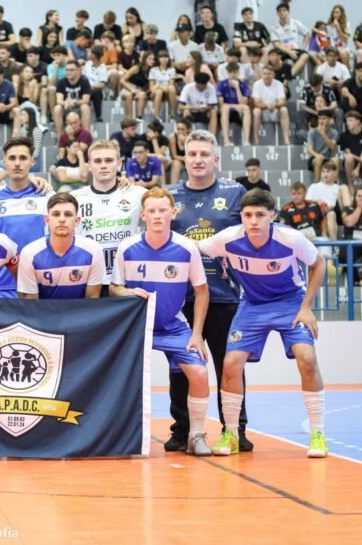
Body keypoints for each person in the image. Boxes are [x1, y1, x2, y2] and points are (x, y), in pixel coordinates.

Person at [199, 189, 328, 458]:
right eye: (248, 215)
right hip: (253, 305)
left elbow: (319, 263)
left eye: (260, 215)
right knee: (231, 364)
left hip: (290, 303)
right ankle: (231, 434)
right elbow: (194, 249)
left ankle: (318, 434)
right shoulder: (228, 239)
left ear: (272, 216)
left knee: (307, 358)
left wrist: (306, 307)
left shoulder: (291, 238)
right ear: (241, 218)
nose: (254, 221)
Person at [111, 187, 212, 455]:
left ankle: (196, 435)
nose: (157, 216)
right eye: (152, 211)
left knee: (199, 373)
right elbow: (114, 288)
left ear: (173, 212)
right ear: (143, 214)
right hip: (136, 327)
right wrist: (129, 291)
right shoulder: (127, 248)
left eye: (163, 210)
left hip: (174, 325)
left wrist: (197, 335)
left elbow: (202, 291)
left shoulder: (186, 248)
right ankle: (119, 435)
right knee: (120, 377)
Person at [167, 129, 250, 453]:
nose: (198, 160)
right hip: (181, 297)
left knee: (228, 366)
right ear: (184, 159)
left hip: (224, 295)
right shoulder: (169, 197)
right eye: (192, 154)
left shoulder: (234, 192)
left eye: (204, 154)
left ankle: (235, 429)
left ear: (216, 160)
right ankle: (182, 430)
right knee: (182, 368)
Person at [71, 140, 146, 290]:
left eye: (109, 160)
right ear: (89, 166)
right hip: (87, 282)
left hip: (125, 281)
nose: (103, 165)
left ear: (119, 164)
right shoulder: (74, 198)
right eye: (97, 161)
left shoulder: (138, 194)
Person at [0, 138, 53, 297]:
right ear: (4, 162)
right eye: (12, 158)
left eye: (23, 158)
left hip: (39, 285)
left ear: (32, 162)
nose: (17, 163)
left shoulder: (47, 195)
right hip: (2, 286)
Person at [17, 192, 104, 300]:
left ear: (77, 221)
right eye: (56, 214)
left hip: (81, 315)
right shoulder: (29, 253)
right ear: (47, 220)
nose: (62, 219)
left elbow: (92, 300)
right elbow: (31, 305)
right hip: (43, 315)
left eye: (68, 214)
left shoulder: (94, 250)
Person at [252, 66, 291, 145]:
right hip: (263, 111)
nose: (267, 76)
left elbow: (283, 101)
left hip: (275, 111)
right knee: (256, 111)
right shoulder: (257, 84)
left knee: (284, 110)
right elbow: (256, 103)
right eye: (265, 74)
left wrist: (274, 105)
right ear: (262, 74)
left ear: (273, 75)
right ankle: (256, 139)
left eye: (269, 74)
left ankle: (286, 139)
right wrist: (267, 106)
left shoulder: (279, 84)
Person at [271, 2, 310, 78]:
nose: (282, 12)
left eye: (284, 10)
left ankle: (289, 76)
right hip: (283, 51)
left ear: (288, 12)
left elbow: (307, 34)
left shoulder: (295, 23)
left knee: (305, 55)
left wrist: (302, 47)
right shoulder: (274, 28)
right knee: (277, 60)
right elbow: (276, 44)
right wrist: (289, 52)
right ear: (277, 13)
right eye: (280, 11)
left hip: (295, 49)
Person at [217, 62, 252, 147]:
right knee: (225, 108)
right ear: (227, 73)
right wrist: (235, 106)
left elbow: (243, 103)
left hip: (239, 113)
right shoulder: (221, 84)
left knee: (246, 108)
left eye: (234, 72)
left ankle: (246, 141)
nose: (232, 74)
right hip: (226, 112)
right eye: (230, 72)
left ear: (238, 73)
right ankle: (226, 141)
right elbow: (221, 104)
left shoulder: (243, 85)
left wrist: (237, 88)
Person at [53, 60, 92, 135]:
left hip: (78, 108)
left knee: (85, 107)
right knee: (57, 108)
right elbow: (59, 100)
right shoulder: (62, 81)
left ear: (78, 70)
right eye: (67, 70)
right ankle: (60, 138)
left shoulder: (84, 81)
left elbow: (86, 100)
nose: (68, 72)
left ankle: (85, 137)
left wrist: (75, 102)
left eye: (71, 70)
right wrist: (66, 102)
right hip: (66, 108)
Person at [306, 161, 341, 241]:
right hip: (316, 213)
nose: (325, 174)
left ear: (334, 173)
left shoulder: (338, 188)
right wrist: (317, 202)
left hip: (332, 213)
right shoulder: (313, 187)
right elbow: (306, 203)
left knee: (331, 214)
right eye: (323, 171)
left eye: (328, 172)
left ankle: (334, 245)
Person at [178, 72, 218, 136]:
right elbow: (180, 106)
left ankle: (212, 137)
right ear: (195, 83)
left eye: (203, 86)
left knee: (213, 111)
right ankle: (186, 135)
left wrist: (204, 108)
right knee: (186, 111)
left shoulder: (211, 88)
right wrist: (193, 107)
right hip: (192, 111)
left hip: (205, 112)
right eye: (199, 86)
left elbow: (212, 105)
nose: (201, 88)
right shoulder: (187, 87)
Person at [307, 111, 340, 183]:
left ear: (329, 119)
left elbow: (332, 147)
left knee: (336, 160)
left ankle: (334, 184)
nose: (321, 121)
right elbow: (309, 149)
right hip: (315, 157)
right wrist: (317, 155)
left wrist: (323, 133)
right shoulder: (312, 132)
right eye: (320, 119)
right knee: (319, 159)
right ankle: (317, 184)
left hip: (328, 158)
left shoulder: (334, 132)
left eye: (324, 118)